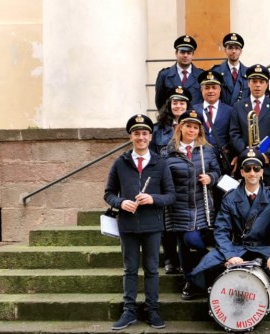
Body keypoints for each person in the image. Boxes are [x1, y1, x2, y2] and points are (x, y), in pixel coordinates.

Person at [104, 114, 176, 330]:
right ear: (131, 136)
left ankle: (152, 310)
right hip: (127, 225)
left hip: (152, 225)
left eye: (145, 133)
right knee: (130, 270)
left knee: (152, 269)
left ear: (150, 137)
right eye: (137, 133)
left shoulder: (160, 163)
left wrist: (153, 198)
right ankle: (129, 311)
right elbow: (108, 194)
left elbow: (171, 195)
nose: (141, 137)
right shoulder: (120, 163)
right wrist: (121, 202)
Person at [189, 148, 270, 290]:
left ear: (262, 172)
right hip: (238, 247)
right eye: (247, 168)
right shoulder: (230, 197)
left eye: (256, 169)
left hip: (264, 248)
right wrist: (230, 255)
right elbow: (221, 230)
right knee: (206, 267)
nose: (252, 173)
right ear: (242, 172)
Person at [162, 110, 221, 300]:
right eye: (188, 126)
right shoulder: (168, 151)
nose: (192, 130)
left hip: (200, 204)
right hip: (178, 205)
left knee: (192, 240)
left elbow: (217, 172)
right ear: (180, 127)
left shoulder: (207, 150)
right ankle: (190, 281)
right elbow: (161, 178)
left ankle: (210, 268)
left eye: (195, 127)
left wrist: (210, 178)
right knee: (183, 243)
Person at [152, 85, 192, 276]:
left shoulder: (193, 126)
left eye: (182, 103)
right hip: (164, 181)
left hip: (185, 181)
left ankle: (185, 258)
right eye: (175, 102)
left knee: (183, 222)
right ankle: (170, 258)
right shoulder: (158, 129)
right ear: (169, 105)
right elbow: (152, 154)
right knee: (166, 223)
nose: (178, 106)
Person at [229, 64, 270, 188]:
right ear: (248, 83)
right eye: (254, 81)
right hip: (246, 164)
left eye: (261, 81)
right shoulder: (238, 106)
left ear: (267, 84)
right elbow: (234, 133)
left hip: (269, 164)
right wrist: (246, 153)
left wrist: (267, 154)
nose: (258, 85)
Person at [192, 69, 234, 176]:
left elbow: (234, 135)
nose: (210, 91)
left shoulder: (230, 111)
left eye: (214, 87)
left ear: (220, 90)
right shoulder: (193, 111)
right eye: (207, 88)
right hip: (200, 161)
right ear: (201, 90)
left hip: (223, 161)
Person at [154, 35, 203, 109]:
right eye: (182, 52)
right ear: (176, 53)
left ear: (193, 55)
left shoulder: (201, 75)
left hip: (194, 118)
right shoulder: (164, 75)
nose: (185, 55)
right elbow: (160, 102)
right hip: (172, 118)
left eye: (189, 53)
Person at [215, 33, 249, 106]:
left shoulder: (248, 73)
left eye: (237, 48)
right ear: (225, 50)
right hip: (223, 115)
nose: (233, 51)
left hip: (242, 115)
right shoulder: (216, 72)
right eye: (230, 48)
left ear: (241, 51)